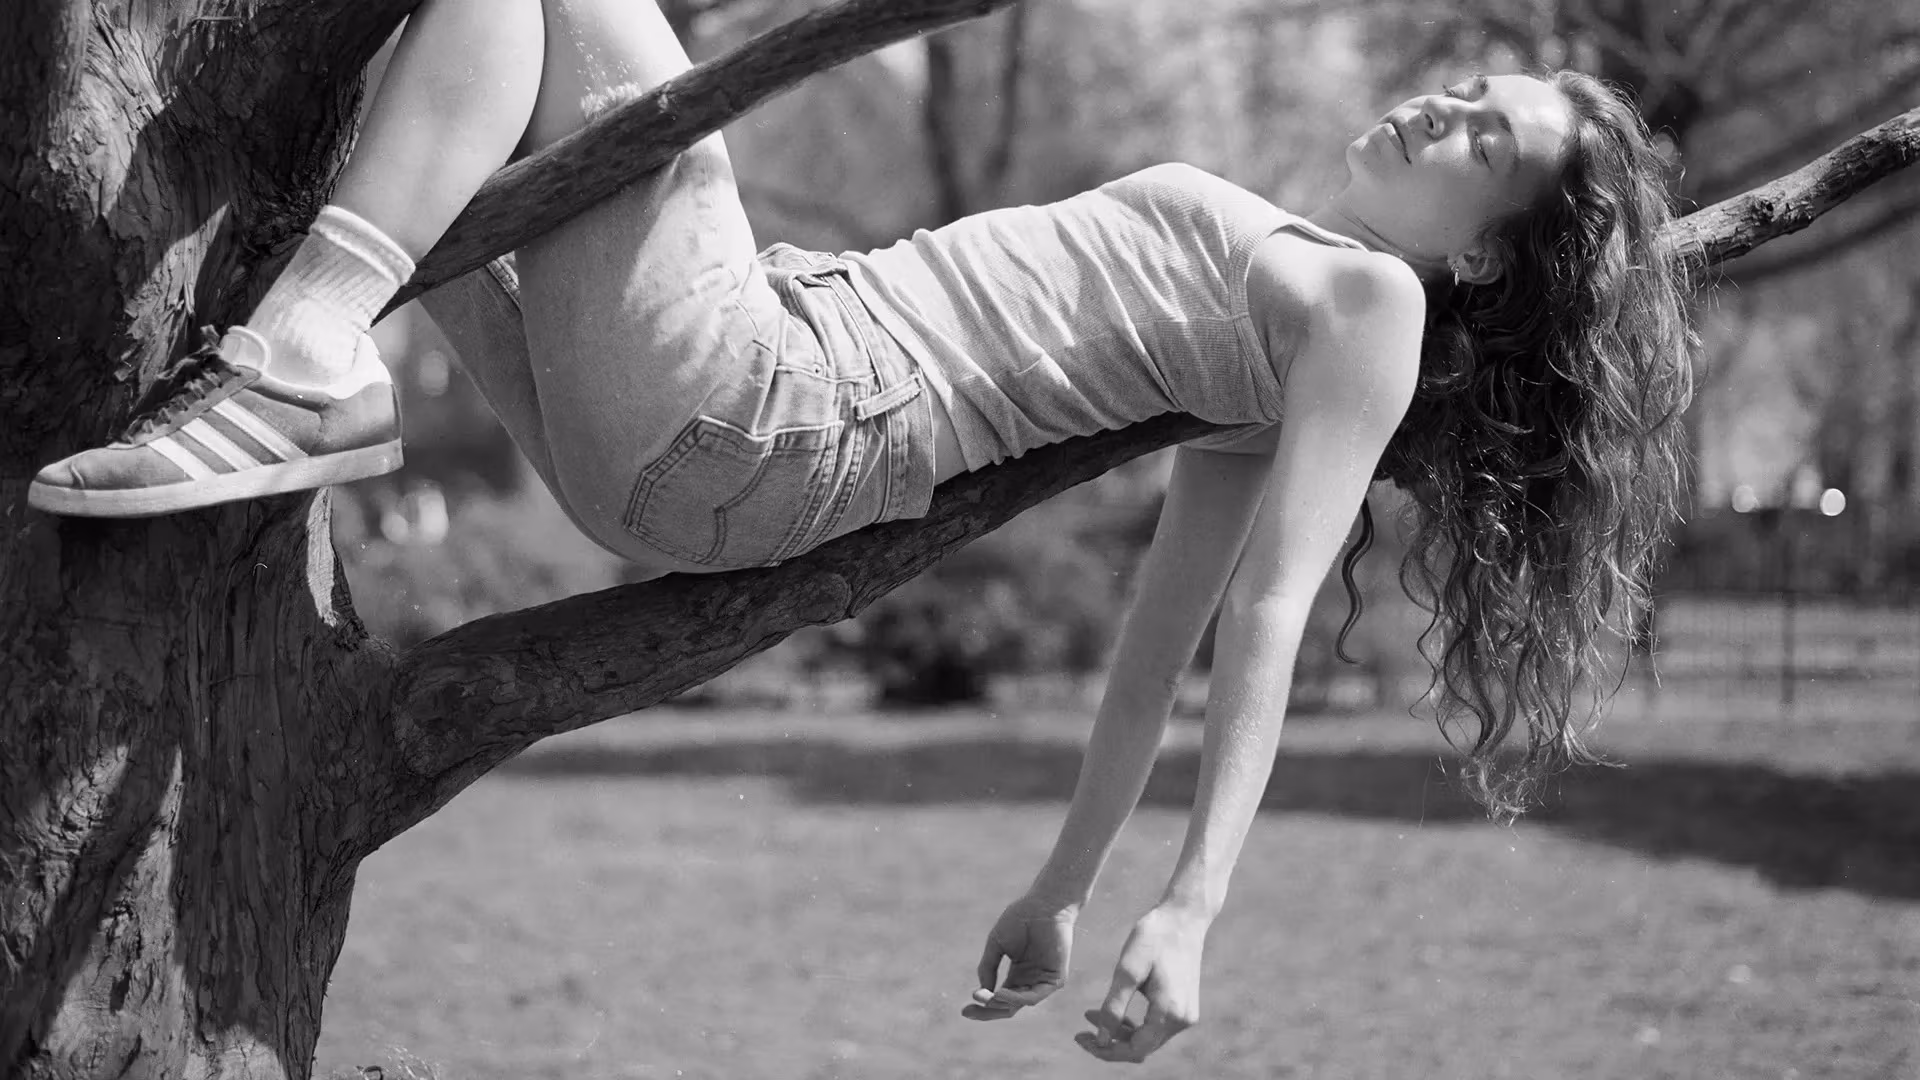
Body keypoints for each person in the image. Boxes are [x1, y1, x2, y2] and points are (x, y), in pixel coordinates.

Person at [26, 0, 1693, 1063]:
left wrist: (1185, 914)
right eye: (1474, 81)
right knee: (429, 65)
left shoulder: (1370, 308)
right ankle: (328, 358)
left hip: (769, 409)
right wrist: (1059, 887)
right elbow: (1149, 650)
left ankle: (309, 353)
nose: (1450, 104)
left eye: (1493, 140)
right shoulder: (1288, 309)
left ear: (1486, 257)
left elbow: (1251, 624)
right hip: (717, 434)